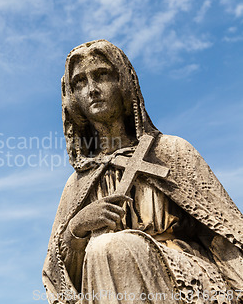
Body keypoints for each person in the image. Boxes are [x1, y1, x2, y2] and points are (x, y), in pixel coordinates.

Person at [42, 40, 243, 304]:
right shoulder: (78, 183)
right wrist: (76, 231)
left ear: (123, 83)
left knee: (110, 248)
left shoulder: (171, 151)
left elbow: (224, 232)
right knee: (103, 248)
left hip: (183, 277)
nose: (92, 89)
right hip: (102, 279)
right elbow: (59, 279)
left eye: (102, 75)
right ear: (73, 100)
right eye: (79, 82)